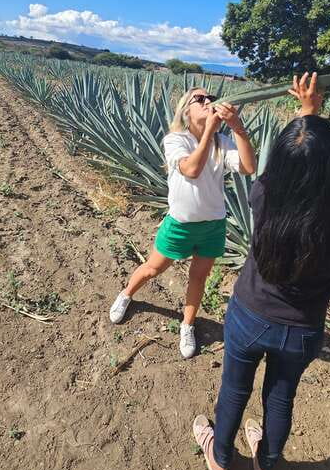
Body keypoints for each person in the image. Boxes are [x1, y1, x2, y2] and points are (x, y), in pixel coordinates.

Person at [192, 68, 330, 470]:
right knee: (280, 398)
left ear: (277, 162)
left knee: (234, 390)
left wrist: (308, 109)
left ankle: (220, 459)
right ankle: (267, 463)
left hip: (248, 314)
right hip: (303, 329)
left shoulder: (264, 193)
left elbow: (289, 160)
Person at [109, 87, 257, 358]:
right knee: (153, 269)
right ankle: (127, 294)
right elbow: (191, 169)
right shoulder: (175, 140)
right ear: (186, 111)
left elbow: (249, 168)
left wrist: (238, 128)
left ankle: (187, 325)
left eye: (210, 98)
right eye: (198, 99)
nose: (207, 101)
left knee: (198, 278)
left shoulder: (223, 142)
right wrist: (210, 132)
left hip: (213, 225)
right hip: (180, 225)